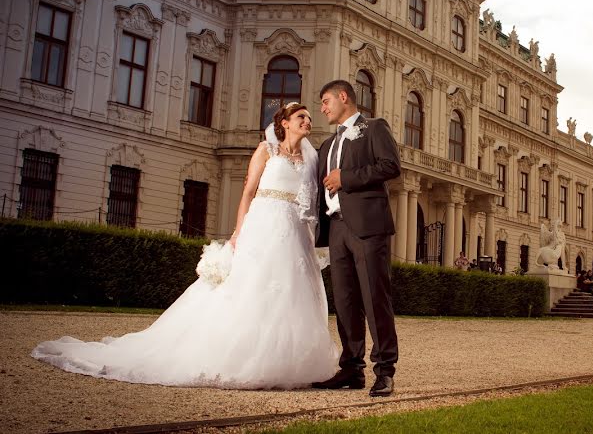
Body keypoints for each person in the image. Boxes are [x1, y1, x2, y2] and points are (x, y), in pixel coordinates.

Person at [32, 104, 339, 388]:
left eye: (310, 118)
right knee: (251, 287)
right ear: (284, 123)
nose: (308, 122)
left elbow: (310, 200)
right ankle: (239, 356)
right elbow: (247, 192)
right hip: (265, 223)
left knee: (291, 291)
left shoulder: (309, 158)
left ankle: (284, 360)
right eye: (302, 117)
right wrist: (237, 233)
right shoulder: (266, 150)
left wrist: (311, 234)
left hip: (295, 231)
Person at [313, 80, 401, 397]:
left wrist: (345, 178)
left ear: (343, 97)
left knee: (375, 299)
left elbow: (391, 166)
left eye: (325, 101)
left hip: (368, 226)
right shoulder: (327, 145)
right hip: (336, 228)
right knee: (346, 301)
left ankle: (385, 371)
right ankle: (352, 368)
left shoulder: (374, 128)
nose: (322, 108)